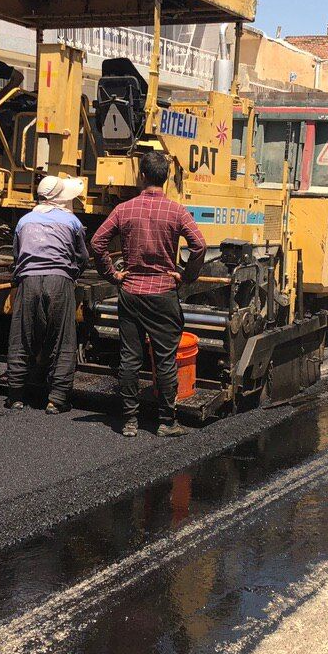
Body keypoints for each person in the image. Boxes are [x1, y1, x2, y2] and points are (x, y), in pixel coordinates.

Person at [91, 150, 206, 438]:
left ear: (142, 176)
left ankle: (129, 421)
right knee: (165, 359)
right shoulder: (176, 211)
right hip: (163, 293)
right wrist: (186, 276)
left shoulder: (124, 210)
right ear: (166, 179)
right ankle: (167, 422)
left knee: (130, 358)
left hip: (130, 292)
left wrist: (112, 274)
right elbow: (199, 245)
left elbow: (96, 242)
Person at [4, 175, 88, 413]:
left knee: (21, 337)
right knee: (63, 340)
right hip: (59, 281)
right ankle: (57, 399)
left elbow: (17, 255)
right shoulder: (72, 222)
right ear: (60, 197)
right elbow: (82, 257)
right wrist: (70, 275)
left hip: (28, 282)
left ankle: (15, 396)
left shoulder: (24, 221)